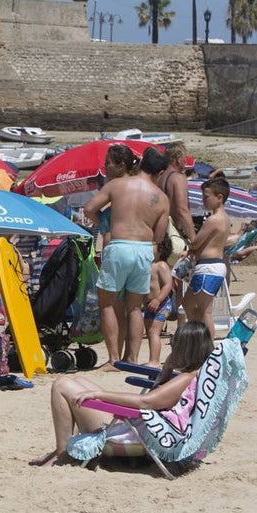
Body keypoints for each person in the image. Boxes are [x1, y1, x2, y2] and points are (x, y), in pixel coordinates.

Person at [30, 320, 214, 467]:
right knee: (78, 382)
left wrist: (98, 395)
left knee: (61, 384)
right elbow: (157, 402)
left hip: (133, 434)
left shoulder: (186, 379)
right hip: (140, 426)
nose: (171, 349)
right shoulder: (194, 377)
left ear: (185, 349)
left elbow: (146, 402)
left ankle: (62, 454)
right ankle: (64, 449)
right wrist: (166, 370)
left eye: (175, 345)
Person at [83, 147, 169, 368]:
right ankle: (132, 359)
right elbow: (159, 235)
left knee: (107, 303)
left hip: (119, 246)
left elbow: (89, 208)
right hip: (143, 250)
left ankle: (113, 359)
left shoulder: (117, 185)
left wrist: (103, 220)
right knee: (134, 307)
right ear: (159, 173)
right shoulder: (161, 198)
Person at [179, 177, 232, 341]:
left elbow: (196, 242)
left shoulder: (214, 219)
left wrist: (189, 241)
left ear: (219, 197)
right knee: (189, 304)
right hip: (210, 266)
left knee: (204, 310)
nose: (203, 201)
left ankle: (206, 346)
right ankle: (199, 338)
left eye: (206, 197)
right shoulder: (224, 218)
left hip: (209, 267)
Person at [158, 142, 195, 264]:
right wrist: (194, 239)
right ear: (178, 158)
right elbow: (182, 210)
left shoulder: (159, 177)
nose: (185, 162)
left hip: (159, 232)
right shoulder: (178, 178)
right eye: (184, 158)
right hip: (173, 234)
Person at [143, 237, 175, 367]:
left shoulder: (161, 265)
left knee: (154, 332)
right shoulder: (148, 264)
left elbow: (168, 285)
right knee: (150, 332)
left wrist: (158, 299)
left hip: (161, 304)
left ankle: (155, 360)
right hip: (149, 305)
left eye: (151, 244)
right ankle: (152, 358)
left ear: (161, 249)